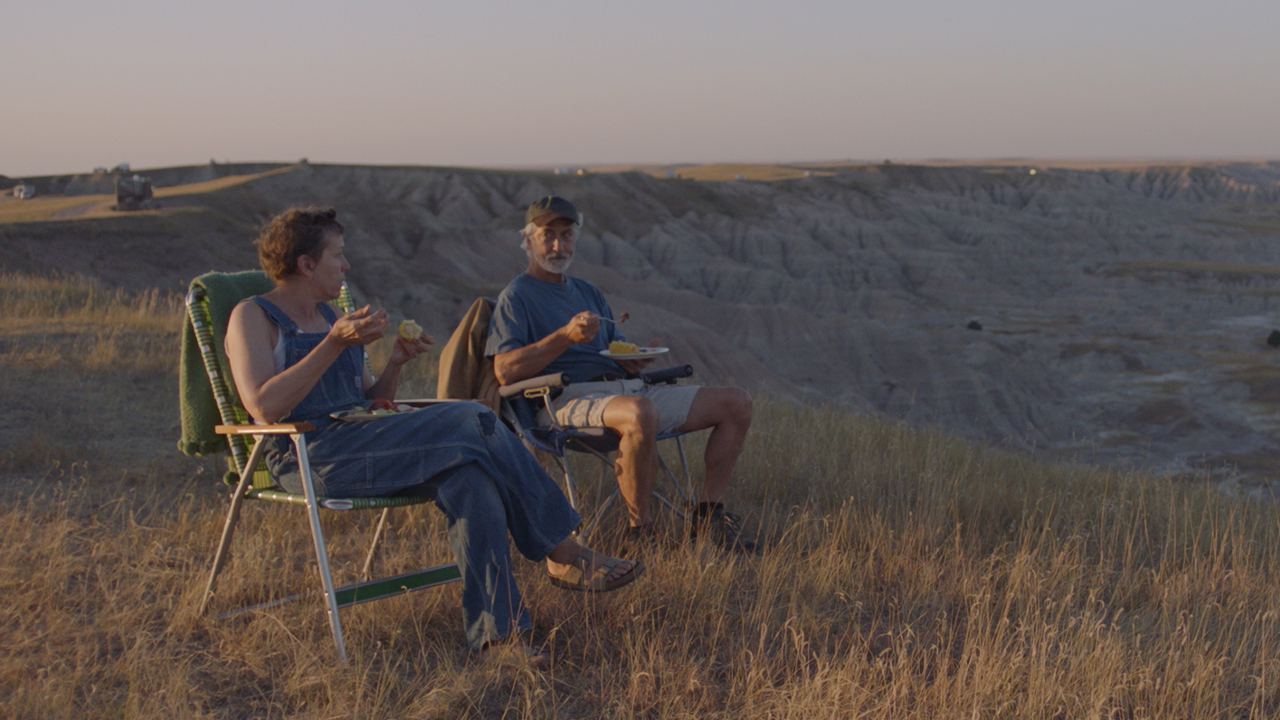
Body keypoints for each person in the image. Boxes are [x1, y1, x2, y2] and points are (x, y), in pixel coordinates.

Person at [223, 206, 641, 662]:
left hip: (364, 442)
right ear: (306, 264)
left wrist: (396, 362)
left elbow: (370, 401)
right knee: (471, 416)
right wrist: (333, 344)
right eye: (338, 256)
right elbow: (263, 406)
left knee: (472, 480)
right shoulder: (253, 317)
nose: (346, 266)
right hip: (311, 455)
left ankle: (496, 639)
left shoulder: (328, 316)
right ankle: (561, 549)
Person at [486, 196, 757, 552]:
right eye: (547, 235)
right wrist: (564, 337)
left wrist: (633, 359)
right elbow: (505, 371)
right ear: (528, 240)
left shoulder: (588, 292)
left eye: (566, 235)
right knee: (639, 412)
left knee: (736, 402)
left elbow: (614, 349)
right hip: (563, 400)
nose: (557, 245)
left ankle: (708, 519)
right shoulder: (516, 296)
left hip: (625, 388)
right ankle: (640, 534)